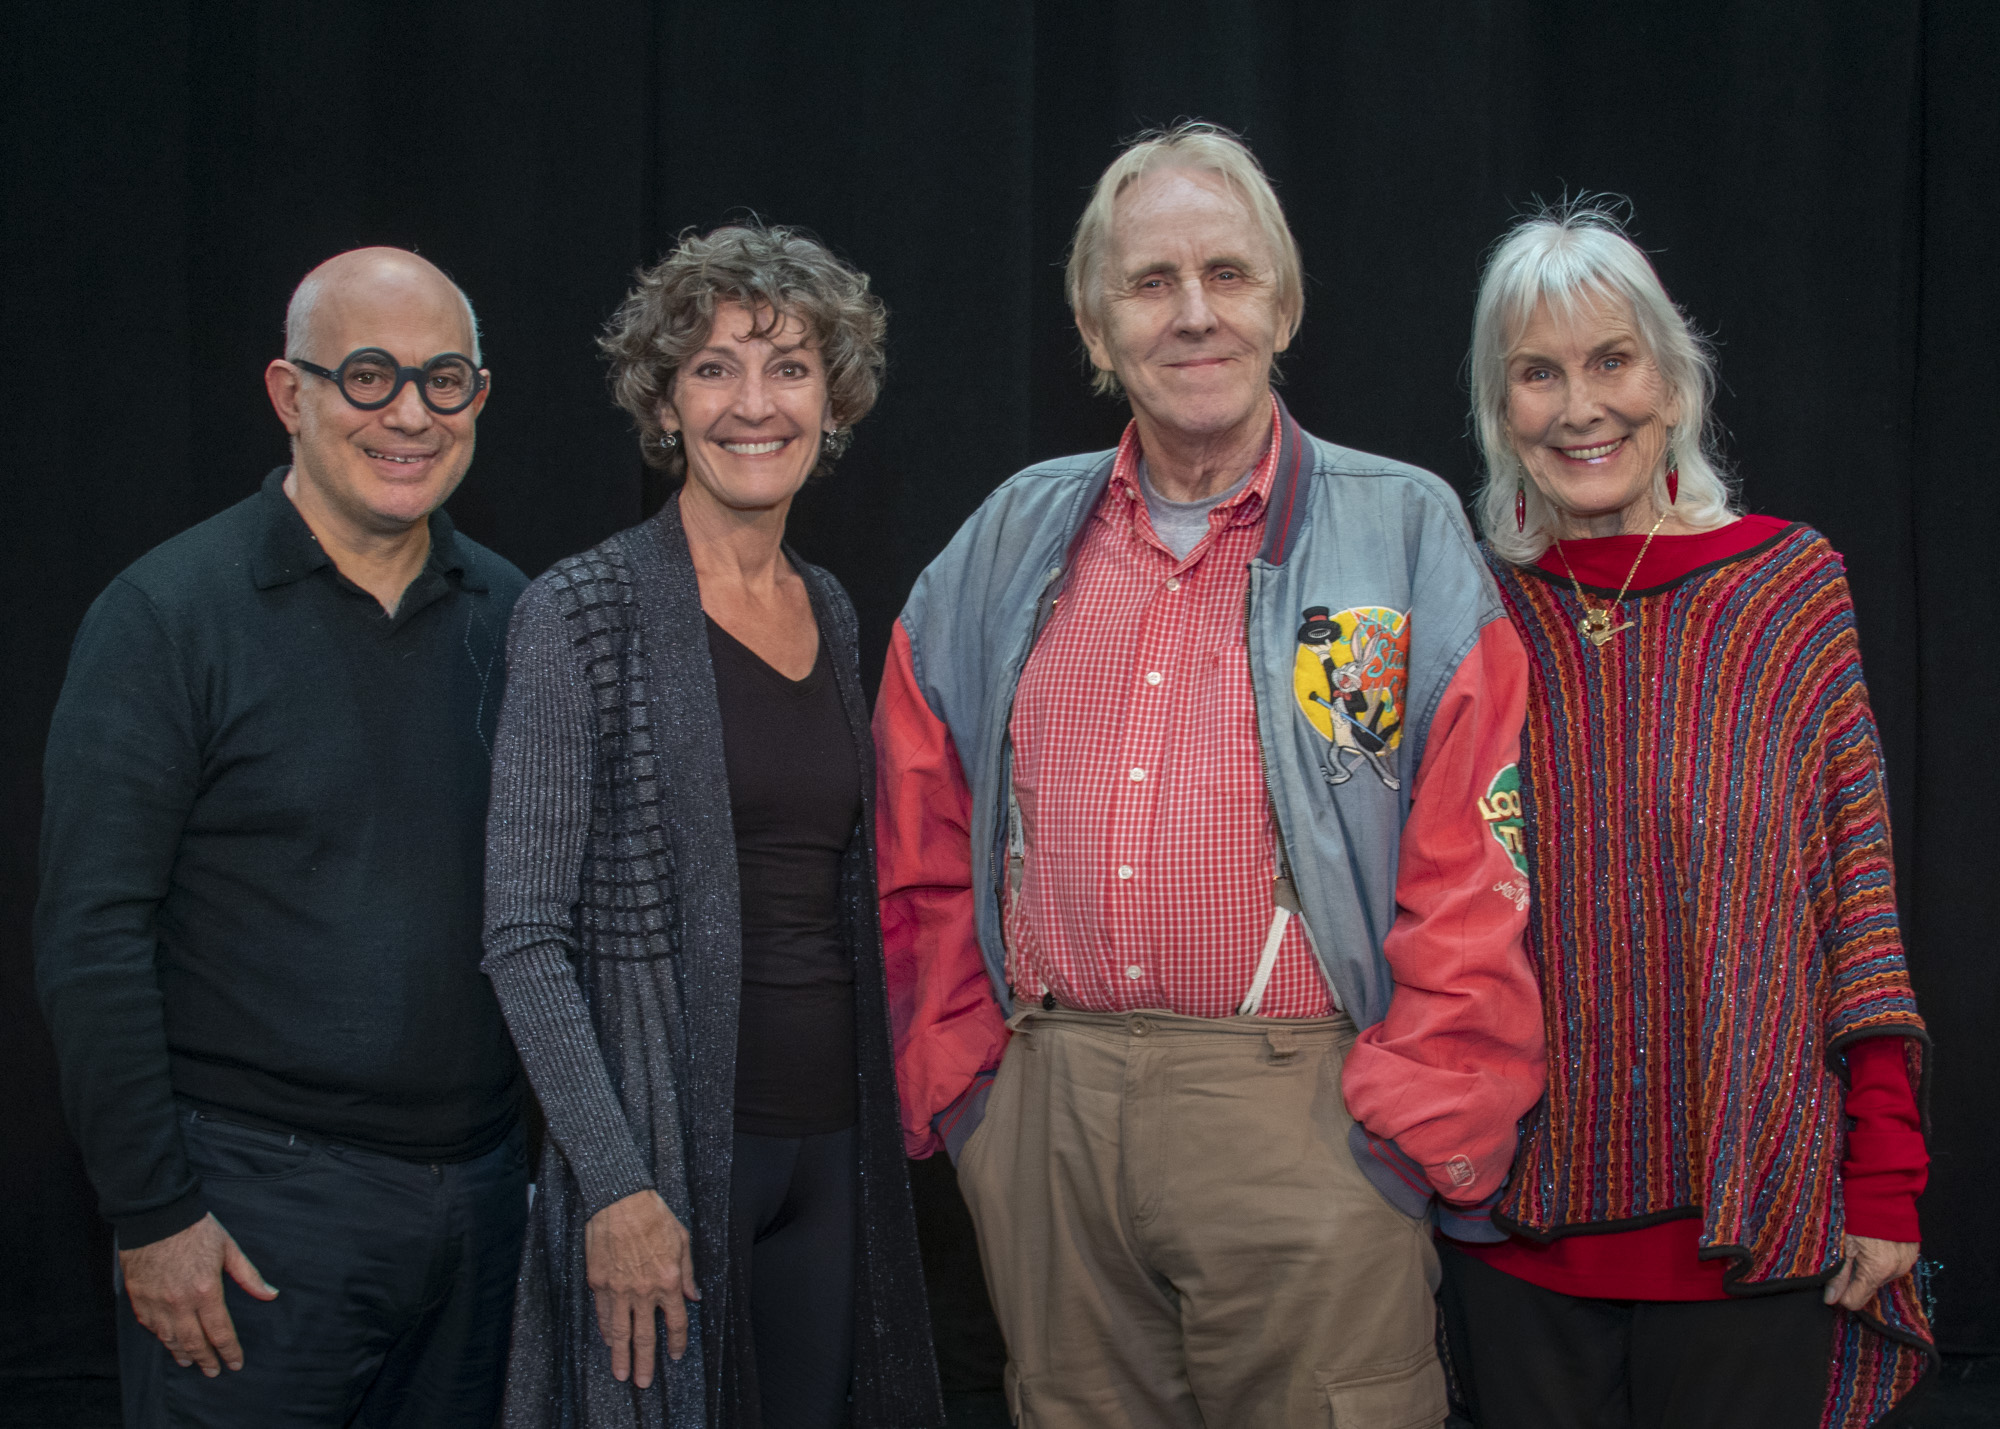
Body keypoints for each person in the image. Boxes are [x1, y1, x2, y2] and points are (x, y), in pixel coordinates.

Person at [873, 122, 1547, 1428]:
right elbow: (916, 810)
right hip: (1050, 1125)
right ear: (1093, 323)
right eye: (1151, 282)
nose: (1194, 315)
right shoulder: (1012, 534)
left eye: (1229, 276)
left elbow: (1480, 854)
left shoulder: (1399, 532)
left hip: (1311, 1126)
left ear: (1283, 304)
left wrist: (1410, 1131)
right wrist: (970, 1093)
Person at [1440, 201, 1934, 1429]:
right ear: (1501, 411)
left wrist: (1886, 1178)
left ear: (1672, 376)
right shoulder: (1463, 605)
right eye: (1536, 374)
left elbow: (1855, 903)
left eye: (1610, 360)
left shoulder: (1787, 589)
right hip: (1511, 1227)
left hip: (1750, 1216)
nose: (1578, 405)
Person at [36, 248, 529, 1427]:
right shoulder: (167, 616)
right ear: (286, 392)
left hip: (479, 1205)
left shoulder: (519, 615)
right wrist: (152, 1214)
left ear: (479, 397)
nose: (409, 413)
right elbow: (90, 937)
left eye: (442, 379)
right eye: (366, 375)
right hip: (251, 1214)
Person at [481, 223, 943, 1428]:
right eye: (713, 367)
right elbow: (525, 938)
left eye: (788, 366)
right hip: (668, 1155)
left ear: (834, 400)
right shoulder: (577, 610)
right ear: (664, 399)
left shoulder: (831, 609)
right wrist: (615, 1183)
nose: (754, 403)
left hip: (833, 1144)